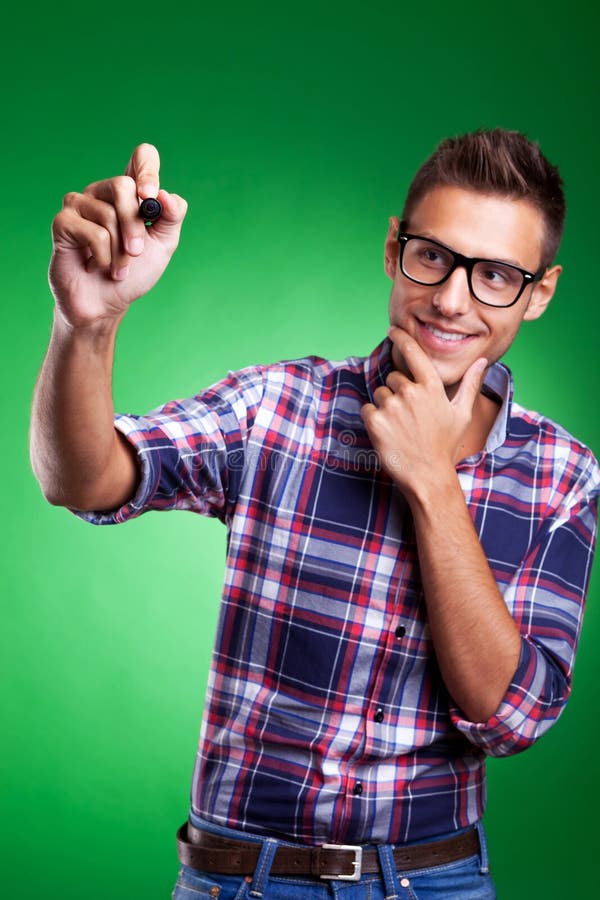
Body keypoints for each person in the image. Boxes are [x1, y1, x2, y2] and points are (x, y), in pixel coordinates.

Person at [30, 130, 599, 899]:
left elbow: (512, 718)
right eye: (432, 255)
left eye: (496, 275)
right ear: (395, 247)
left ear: (540, 293)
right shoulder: (279, 409)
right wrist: (86, 323)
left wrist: (431, 481)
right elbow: (86, 478)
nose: (453, 298)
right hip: (242, 879)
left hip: (436, 881)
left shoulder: (563, 475)